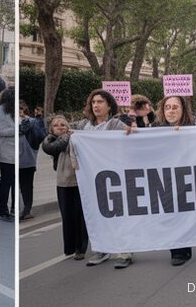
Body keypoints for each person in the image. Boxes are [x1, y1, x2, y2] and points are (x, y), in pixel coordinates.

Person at [77, 88, 128, 267]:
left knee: (118, 214)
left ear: (109, 106)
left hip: (113, 177)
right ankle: (101, 250)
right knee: (97, 214)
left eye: (100, 102)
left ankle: (124, 252)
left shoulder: (115, 125)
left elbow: (130, 140)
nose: (96, 105)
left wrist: (133, 132)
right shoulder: (83, 126)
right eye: (94, 102)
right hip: (92, 179)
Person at [152, 94, 196, 266]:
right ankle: (176, 250)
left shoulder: (194, 128)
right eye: (167, 107)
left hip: (188, 178)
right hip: (165, 179)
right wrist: (133, 131)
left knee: (185, 213)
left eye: (175, 107)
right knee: (171, 213)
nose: (171, 111)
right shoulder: (155, 129)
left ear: (183, 110)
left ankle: (186, 247)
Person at [41, 115, 87, 258]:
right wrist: (66, 136)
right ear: (51, 129)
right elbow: (50, 148)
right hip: (63, 182)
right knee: (67, 216)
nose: (60, 126)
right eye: (56, 125)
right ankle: (70, 247)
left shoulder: (77, 137)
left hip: (79, 182)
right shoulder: (51, 141)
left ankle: (80, 248)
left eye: (63, 124)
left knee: (80, 216)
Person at [0, 87, 17, 222]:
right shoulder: (0, 111)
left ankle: (14, 208)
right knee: (6, 180)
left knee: (15, 182)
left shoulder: (15, 111)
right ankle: (3, 210)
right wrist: (15, 129)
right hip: (6, 150)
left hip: (16, 151)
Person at [17, 100, 44, 221]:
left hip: (24, 159)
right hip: (28, 159)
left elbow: (40, 136)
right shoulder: (33, 122)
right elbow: (41, 136)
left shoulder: (30, 122)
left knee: (23, 186)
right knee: (26, 187)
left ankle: (23, 210)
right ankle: (25, 210)